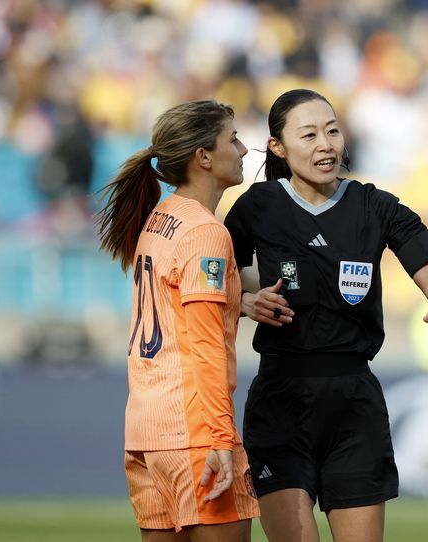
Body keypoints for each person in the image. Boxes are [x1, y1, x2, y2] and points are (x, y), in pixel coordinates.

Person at [223, 88, 428, 542]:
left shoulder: (374, 205)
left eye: (333, 131)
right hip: (280, 400)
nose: (326, 144)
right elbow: (215, 277)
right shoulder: (258, 207)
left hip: (354, 405)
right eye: (310, 134)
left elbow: (425, 263)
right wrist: (243, 301)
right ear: (277, 147)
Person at [96, 100, 259, 542]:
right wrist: (222, 440)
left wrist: (240, 301)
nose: (244, 150)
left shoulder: (159, 220)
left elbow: (177, 309)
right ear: (203, 158)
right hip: (194, 431)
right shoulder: (206, 232)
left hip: (146, 432)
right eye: (233, 139)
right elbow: (204, 344)